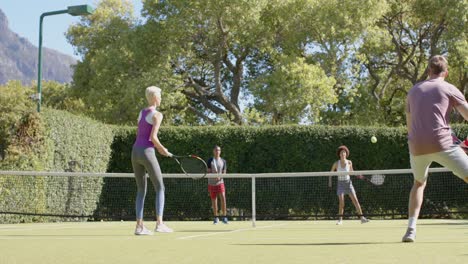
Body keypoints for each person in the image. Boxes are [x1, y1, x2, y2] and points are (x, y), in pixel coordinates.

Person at [403, 55, 468, 242]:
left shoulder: (413, 91)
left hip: (416, 145)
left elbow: (409, 125)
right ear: (445, 72)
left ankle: (411, 229)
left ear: (428, 71)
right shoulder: (449, 88)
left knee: (419, 183)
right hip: (442, 143)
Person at [131, 86, 173, 235]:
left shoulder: (141, 113)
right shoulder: (157, 115)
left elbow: (139, 134)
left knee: (141, 189)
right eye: (160, 96)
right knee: (160, 187)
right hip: (147, 152)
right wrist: (164, 150)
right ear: (155, 98)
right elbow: (153, 138)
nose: (161, 98)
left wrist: (160, 150)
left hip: (135, 151)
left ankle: (139, 227)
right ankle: (160, 224)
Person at [329, 145, 369, 225]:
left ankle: (362, 218)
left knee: (355, 201)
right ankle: (340, 220)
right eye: (341, 153)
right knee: (341, 202)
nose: (343, 154)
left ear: (346, 154)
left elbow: (352, 172)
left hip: (348, 183)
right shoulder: (336, 163)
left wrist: (360, 176)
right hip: (340, 184)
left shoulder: (349, 162)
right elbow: (330, 173)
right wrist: (329, 182)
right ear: (339, 154)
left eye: (344, 152)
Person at [207, 145, 228, 224]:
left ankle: (224, 217)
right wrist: (213, 174)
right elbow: (208, 170)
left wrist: (220, 177)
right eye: (216, 150)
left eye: (219, 150)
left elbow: (224, 172)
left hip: (220, 183)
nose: (217, 151)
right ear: (213, 151)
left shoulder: (223, 161)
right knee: (214, 200)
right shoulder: (210, 160)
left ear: (220, 151)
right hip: (211, 183)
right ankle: (216, 217)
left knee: (223, 198)